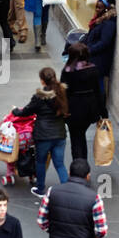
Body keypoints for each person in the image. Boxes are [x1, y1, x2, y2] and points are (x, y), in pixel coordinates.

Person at [12, 65, 69, 197]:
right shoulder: (62, 93)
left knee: (41, 162)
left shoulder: (39, 97)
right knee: (60, 164)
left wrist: (14, 110)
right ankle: (67, 189)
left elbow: (25, 111)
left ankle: (40, 189)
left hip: (43, 135)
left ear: (42, 80)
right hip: (60, 134)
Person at [60, 42, 103, 161]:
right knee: (81, 136)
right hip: (90, 108)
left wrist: (62, 111)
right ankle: (83, 166)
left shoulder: (67, 71)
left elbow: (63, 93)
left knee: (76, 138)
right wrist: (103, 112)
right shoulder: (93, 69)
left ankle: (78, 167)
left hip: (73, 109)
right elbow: (99, 91)